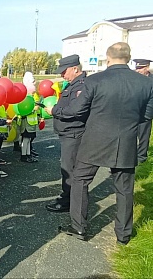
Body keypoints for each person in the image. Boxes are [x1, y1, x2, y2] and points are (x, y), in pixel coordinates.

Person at [47, 42, 153, 245]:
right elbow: (147, 116)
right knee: (124, 189)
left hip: (94, 140)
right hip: (126, 141)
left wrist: (55, 111)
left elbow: (76, 110)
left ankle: (78, 227)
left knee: (80, 180)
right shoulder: (146, 83)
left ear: (108, 58)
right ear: (129, 58)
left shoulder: (95, 80)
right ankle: (123, 235)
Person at [45, 54, 87, 213]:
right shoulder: (72, 84)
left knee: (69, 169)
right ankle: (70, 198)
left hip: (73, 133)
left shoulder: (81, 86)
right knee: (68, 167)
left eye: (64, 71)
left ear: (75, 69)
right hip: (68, 133)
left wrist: (54, 110)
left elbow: (75, 110)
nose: (62, 74)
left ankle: (68, 201)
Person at [133, 59, 153, 163]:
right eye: (137, 68)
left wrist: (147, 115)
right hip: (132, 113)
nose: (138, 70)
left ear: (147, 68)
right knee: (129, 137)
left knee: (143, 138)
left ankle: (141, 158)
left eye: (140, 68)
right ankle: (127, 159)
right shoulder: (133, 79)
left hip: (145, 114)